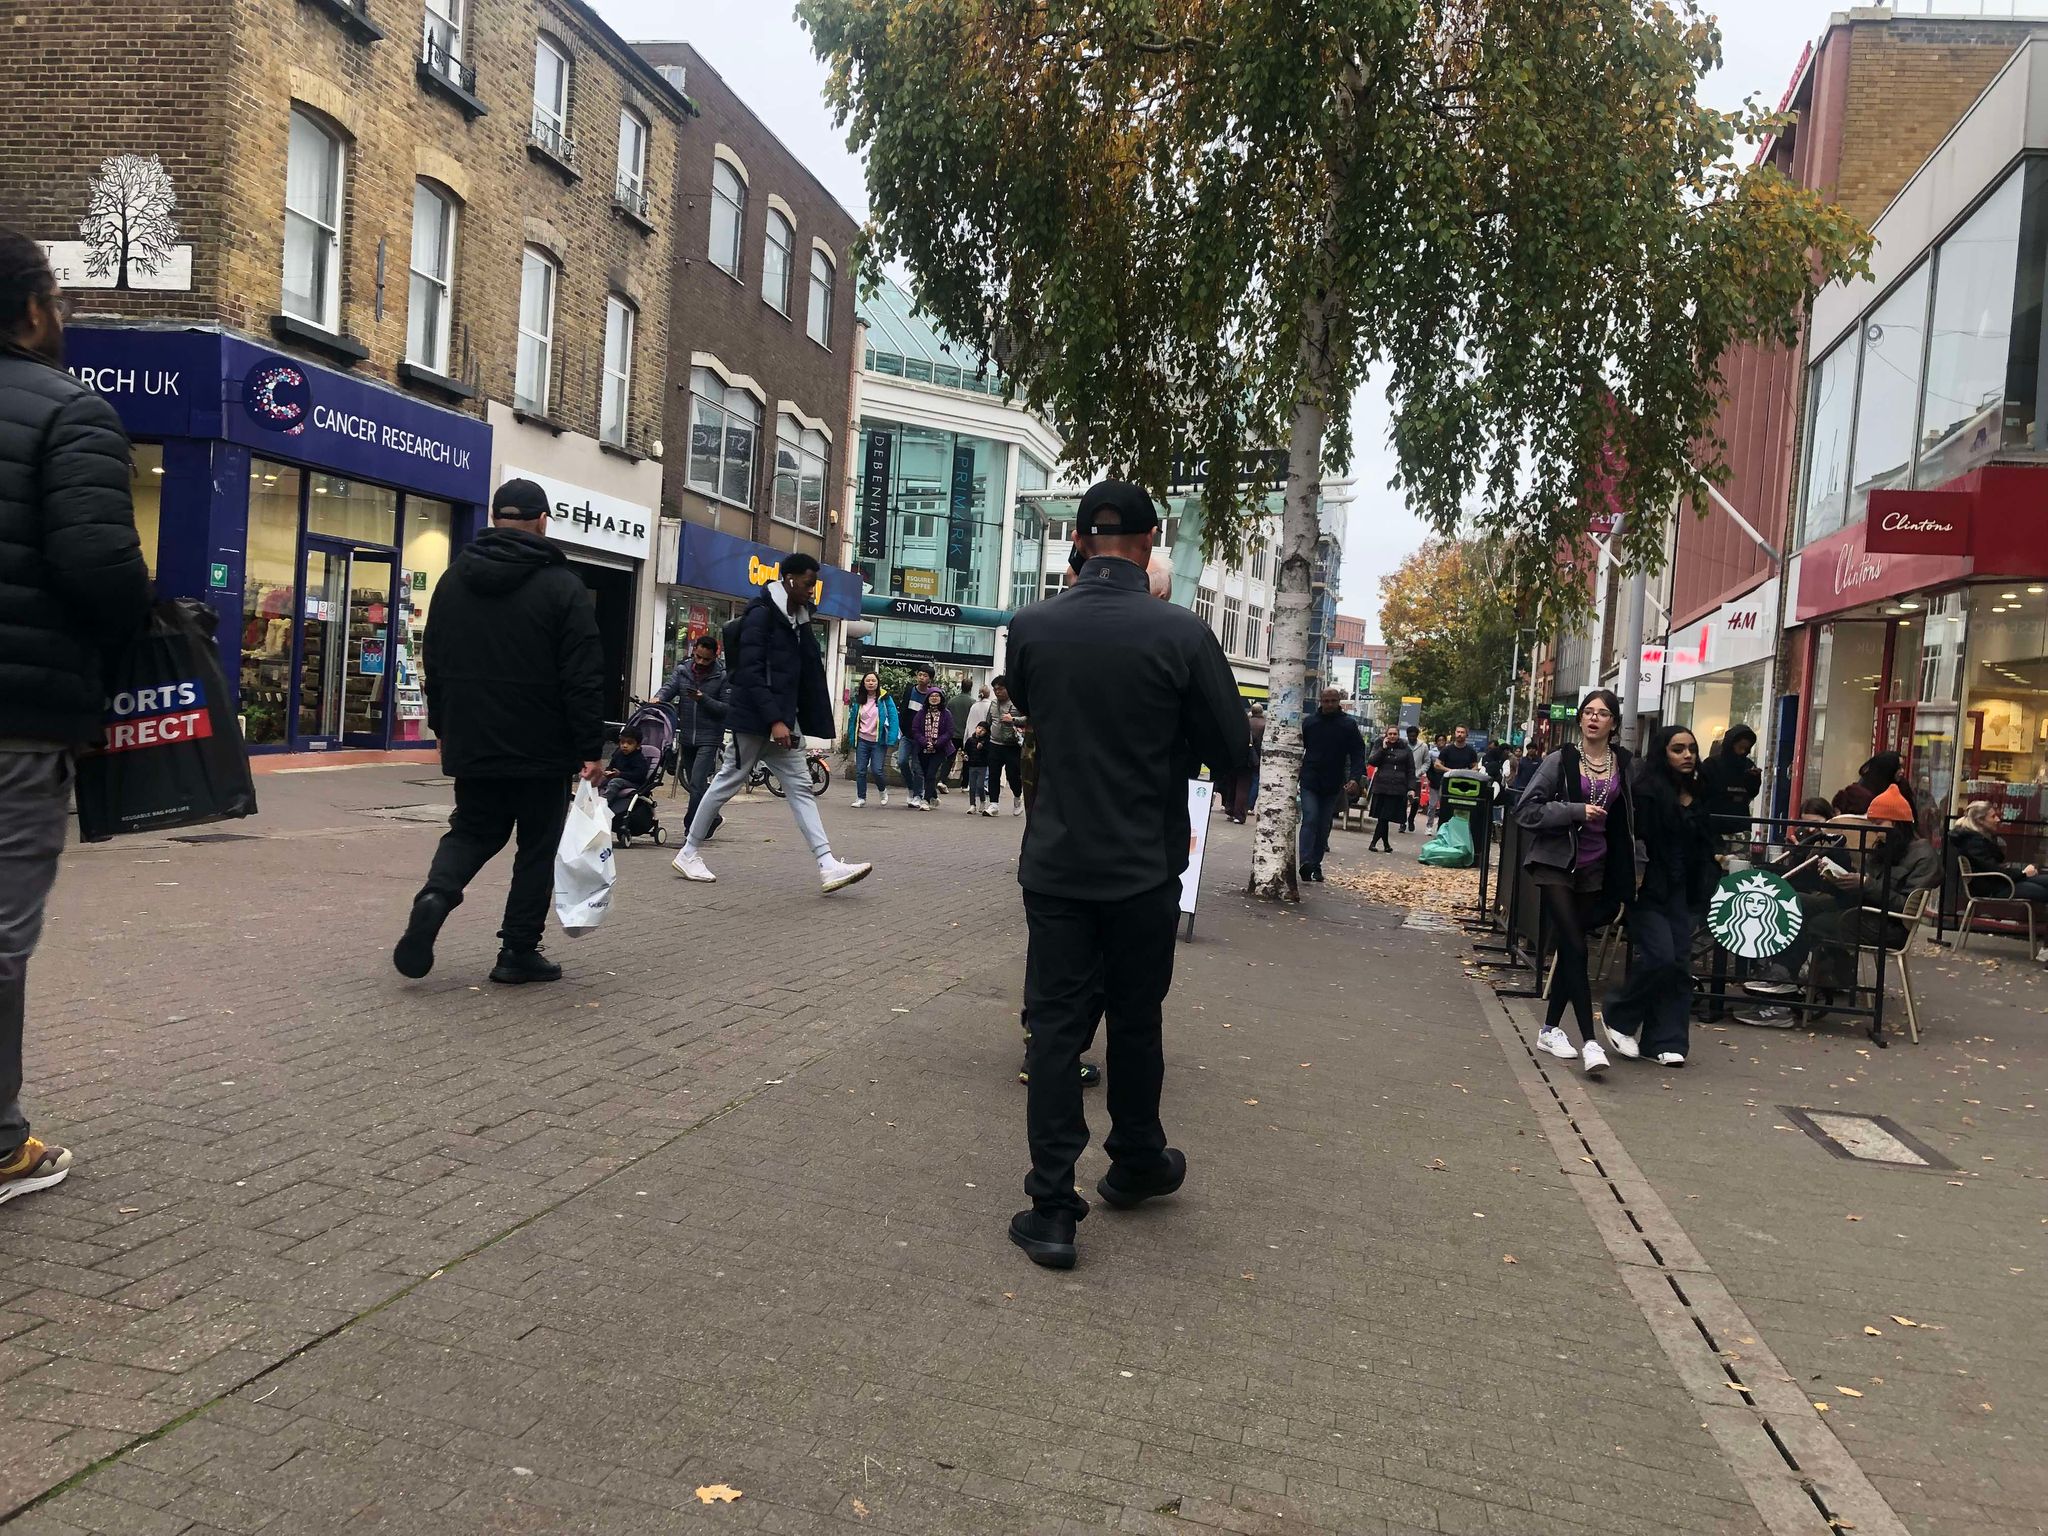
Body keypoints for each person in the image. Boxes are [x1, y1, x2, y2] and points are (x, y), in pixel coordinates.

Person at [1003, 480, 1248, 1269]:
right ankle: (1136, 1159)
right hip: (1146, 864)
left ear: (1079, 539)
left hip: (1058, 861)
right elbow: (1233, 750)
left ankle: (1050, 1207)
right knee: (1138, 1019)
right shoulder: (1181, 634)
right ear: (1150, 542)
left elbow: (1038, 715)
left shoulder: (1032, 626)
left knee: (1055, 1028)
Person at [0, 230, 152, 1203]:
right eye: (58, 298)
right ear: (29, 310)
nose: (65, 316)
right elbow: (99, 570)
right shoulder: (70, 412)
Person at [396, 478, 606, 985]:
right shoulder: (563, 587)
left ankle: (436, 895)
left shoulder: (452, 580)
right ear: (542, 521)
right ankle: (516, 951)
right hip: (542, 745)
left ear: (494, 518)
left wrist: (443, 725)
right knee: (536, 846)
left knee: (472, 827)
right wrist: (589, 748)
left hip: (474, 737)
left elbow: (435, 661)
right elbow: (583, 674)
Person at [668, 553, 872, 894]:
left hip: (780, 722)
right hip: (757, 721)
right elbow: (749, 672)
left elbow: (799, 675)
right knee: (725, 783)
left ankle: (827, 865)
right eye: (808, 583)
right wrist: (776, 720)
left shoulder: (796, 619)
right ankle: (688, 852)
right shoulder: (760, 616)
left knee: (801, 788)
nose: (812, 590)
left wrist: (787, 720)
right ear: (789, 580)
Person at [1737, 786, 1938, 1026]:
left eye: (1879, 823)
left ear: (1897, 823)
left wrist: (1865, 884)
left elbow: (1906, 907)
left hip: (1885, 924)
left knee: (1812, 922)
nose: (1876, 831)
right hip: (1864, 910)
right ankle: (1779, 977)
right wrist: (1839, 878)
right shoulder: (1891, 847)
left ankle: (1780, 995)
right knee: (1795, 901)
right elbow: (1872, 886)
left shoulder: (1922, 856)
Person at [1515, 689, 1638, 1078]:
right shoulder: (1561, 760)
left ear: (1614, 723)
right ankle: (1589, 1042)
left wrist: (1636, 868)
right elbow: (1526, 809)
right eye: (1588, 712)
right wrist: (1573, 810)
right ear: (1581, 719)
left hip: (1595, 868)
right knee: (1575, 947)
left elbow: (1631, 823)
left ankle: (1549, 1030)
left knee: (1570, 952)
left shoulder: (1625, 766)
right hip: (1554, 862)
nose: (1594, 719)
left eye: (1603, 714)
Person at [1601, 726, 1715, 1067]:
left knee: (1680, 964)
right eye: (1678, 749)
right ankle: (1619, 1016)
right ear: (1663, 753)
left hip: (1683, 891)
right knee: (1661, 957)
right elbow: (1630, 839)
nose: (1687, 755)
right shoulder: (1646, 791)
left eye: (1692, 749)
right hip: (1647, 888)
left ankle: (1665, 1040)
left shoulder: (1699, 792)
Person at [655, 632, 729, 833]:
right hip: (687, 737)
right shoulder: (683, 671)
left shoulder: (722, 676)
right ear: (693, 651)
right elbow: (669, 689)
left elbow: (726, 709)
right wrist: (658, 698)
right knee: (692, 784)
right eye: (698, 656)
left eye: (706, 659)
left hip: (709, 737)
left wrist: (702, 699)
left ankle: (692, 828)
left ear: (715, 655)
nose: (701, 662)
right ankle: (712, 817)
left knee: (697, 783)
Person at [1298, 688, 1366, 882]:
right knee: (1310, 818)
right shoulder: (1310, 722)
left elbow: (1358, 753)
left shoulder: (1348, 725)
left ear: (1339, 702)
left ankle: (1316, 864)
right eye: (1325, 701)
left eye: (1333, 701)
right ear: (1320, 701)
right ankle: (1305, 862)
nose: (1328, 704)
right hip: (1310, 779)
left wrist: (1354, 778)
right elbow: (1297, 748)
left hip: (1333, 783)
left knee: (1323, 824)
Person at [844, 670, 899, 808]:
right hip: (862, 739)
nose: (870, 683)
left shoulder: (885, 699)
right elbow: (852, 720)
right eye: (868, 680)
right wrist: (851, 737)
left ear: (877, 683)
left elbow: (893, 718)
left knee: (876, 770)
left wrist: (891, 738)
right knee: (860, 770)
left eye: (873, 681)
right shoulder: (858, 699)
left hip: (878, 741)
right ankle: (861, 798)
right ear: (863, 683)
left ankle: (882, 791)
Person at [1698, 724, 1762, 842]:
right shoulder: (1711, 764)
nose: (1742, 752)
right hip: (1714, 824)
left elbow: (1752, 793)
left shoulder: (1748, 765)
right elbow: (1701, 793)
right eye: (1740, 747)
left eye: (1746, 749)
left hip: (1739, 825)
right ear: (1730, 745)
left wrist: (1754, 779)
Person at [1364, 726, 1414, 853]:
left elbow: (1410, 770)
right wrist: (1383, 749)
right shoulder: (1380, 745)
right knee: (1383, 817)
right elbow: (1372, 761)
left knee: (1384, 816)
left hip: (1397, 787)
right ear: (1386, 735)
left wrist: (1411, 788)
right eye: (1390, 734)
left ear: (1398, 735)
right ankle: (1384, 844)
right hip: (1381, 786)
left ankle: (1375, 842)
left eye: (1395, 734)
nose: (1392, 736)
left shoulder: (1406, 749)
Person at [909, 683, 954, 811]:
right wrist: (924, 742)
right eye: (932, 696)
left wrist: (937, 742)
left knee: (931, 773)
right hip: (923, 749)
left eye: (937, 696)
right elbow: (915, 730)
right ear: (927, 698)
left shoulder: (946, 714)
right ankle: (933, 796)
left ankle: (926, 800)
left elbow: (949, 731)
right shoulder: (921, 713)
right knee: (927, 773)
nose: (934, 698)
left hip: (940, 749)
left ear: (941, 698)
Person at [987, 676, 1026, 816]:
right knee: (993, 774)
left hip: (1012, 745)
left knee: (1013, 775)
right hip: (994, 743)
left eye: (1001, 689)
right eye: (995, 689)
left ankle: (1017, 797)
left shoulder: (1018, 703)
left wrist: (1013, 719)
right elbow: (988, 721)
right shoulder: (992, 704)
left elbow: (1029, 718)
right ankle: (993, 804)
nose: (998, 692)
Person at [1833, 751, 1911, 819]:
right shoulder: (1859, 795)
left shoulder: (1903, 788)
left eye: (1902, 767)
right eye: (1898, 767)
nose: (1902, 771)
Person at [900, 664, 936, 807]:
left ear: (930, 679)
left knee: (918, 767)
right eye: (920, 674)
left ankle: (918, 795)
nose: (921, 677)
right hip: (907, 735)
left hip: (922, 738)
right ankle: (911, 788)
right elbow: (903, 710)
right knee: (901, 761)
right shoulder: (910, 690)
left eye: (925, 675)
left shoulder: (932, 695)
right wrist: (902, 729)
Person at [601, 727, 652, 820]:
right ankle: (592, 799)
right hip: (617, 777)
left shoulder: (638, 758)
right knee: (599, 779)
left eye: (629, 743)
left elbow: (639, 775)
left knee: (615, 782)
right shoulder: (618, 754)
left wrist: (620, 774)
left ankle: (603, 803)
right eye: (622, 742)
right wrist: (607, 772)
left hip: (634, 783)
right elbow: (611, 766)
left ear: (637, 745)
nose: (625, 745)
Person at [946, 675, 976, 786]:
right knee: (967, 759)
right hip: (966, 736)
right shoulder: (973, 703)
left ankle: (942, 781)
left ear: (961, 687)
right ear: (971, 688)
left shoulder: (952, 701)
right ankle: (964, 784)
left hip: (953, 734)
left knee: (949, 758)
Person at [962, 720, 994, 814]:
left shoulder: (987, 741)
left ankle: (983, 800)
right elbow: (966, 750)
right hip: (971, 765)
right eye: (979, 728)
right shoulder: (970, 740)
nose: (980, 731)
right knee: (972, 786)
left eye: (983, 730)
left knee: (980, 785)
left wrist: (982, 748)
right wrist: (965, 755)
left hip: (982, 766)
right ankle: (972, 805)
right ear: (976, 728)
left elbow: (989, 753)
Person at [1405, 726, 1431, 832]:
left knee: (1415, 801)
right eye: (1410, 736)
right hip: (1404, 776)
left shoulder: (1423, 746)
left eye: (1414, 736)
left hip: (1416, 777)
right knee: (1403, 800)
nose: (1412, 738)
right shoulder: (1403, 745)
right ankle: (1402, 822)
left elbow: (1427, 761)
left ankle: (1411, 819)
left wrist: (1420, 771)